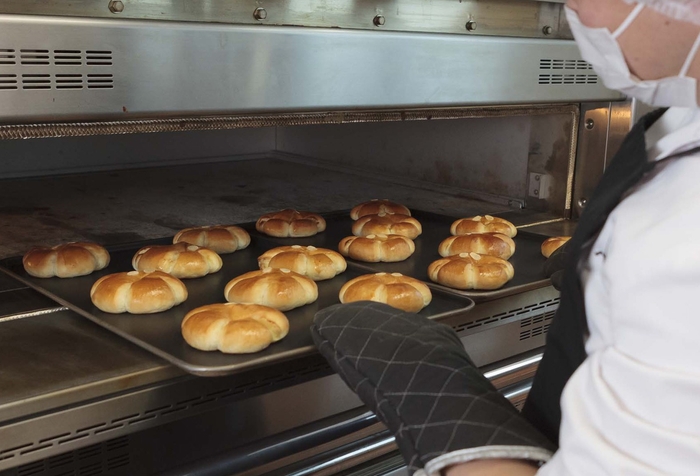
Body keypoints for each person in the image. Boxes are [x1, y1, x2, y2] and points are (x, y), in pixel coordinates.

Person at [311, 0, 700, 474]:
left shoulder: (686, 233)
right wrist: (600, 272)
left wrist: (434, 392)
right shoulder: (686, 116)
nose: (571, 9)